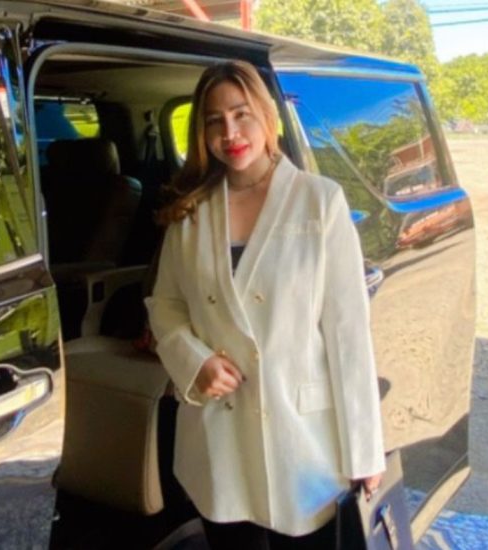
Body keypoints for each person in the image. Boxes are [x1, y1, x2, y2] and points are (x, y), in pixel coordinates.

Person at [145, 60, 385, 550]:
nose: (230, 133)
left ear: (267, 115)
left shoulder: (319, 201)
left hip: (302, 440)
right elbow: (165, 304)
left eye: (241, 114)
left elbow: (348, 334)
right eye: (214, 120)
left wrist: (365, 450)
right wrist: (195, 362)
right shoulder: (190, 211)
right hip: (221, 437)